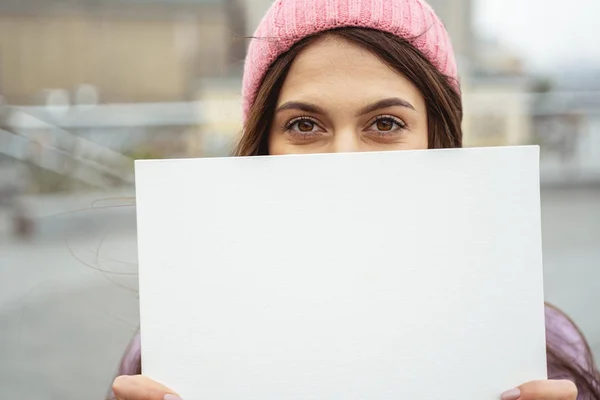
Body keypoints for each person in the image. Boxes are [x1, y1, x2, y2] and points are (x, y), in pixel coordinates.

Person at [110, 0, 600, 399]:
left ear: (439, 138)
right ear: (262, 143)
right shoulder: (171, 359)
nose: (345, 158)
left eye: (385, 124)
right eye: (304, 125)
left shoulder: (542, 352)